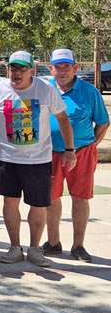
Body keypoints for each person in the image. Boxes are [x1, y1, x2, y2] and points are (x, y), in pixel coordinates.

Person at [0, 50, 76, 267]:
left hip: (38, 161)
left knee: (38, 205)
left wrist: (70, 149)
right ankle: (14, 247)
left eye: (22, 68)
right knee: (10, 202)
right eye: (13, 68)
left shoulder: (45, 89)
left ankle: (34, 249)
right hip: (7, 159)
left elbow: (62, 118)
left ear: (32, 70)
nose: (17, 73)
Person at [43, 49, 109, 263]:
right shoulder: (45, 90)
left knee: (80, 199)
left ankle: (78, 246)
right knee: (51, 198)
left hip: (81, 153)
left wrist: (91, 146)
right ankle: (53, 243)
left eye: (66, 66)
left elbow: (103, 122)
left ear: (75, 68)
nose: (62, 71)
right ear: (51, 68)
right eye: (57, 67)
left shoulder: (89, 92)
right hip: (50, 153)